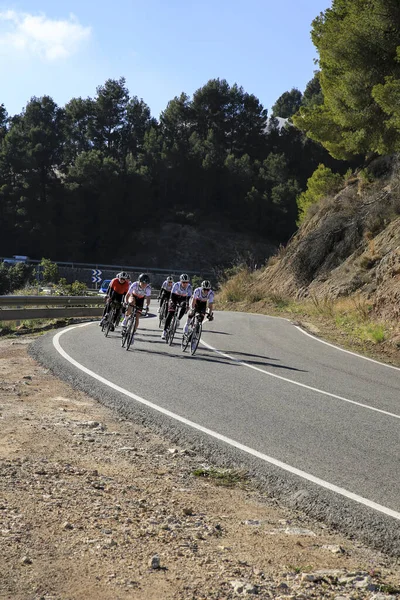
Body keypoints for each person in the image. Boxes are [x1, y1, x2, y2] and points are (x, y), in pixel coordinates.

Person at [162, 273, 191, 340]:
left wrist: (187, 305)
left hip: (183, 299)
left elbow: (188, 298)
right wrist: (172, 302)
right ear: (180, 281)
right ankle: (164, 331)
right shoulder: (176, 285)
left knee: (184, 305)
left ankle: (178, 319)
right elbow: (172, 295)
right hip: (175, 297)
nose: (185, 284)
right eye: (183, 282)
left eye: (186, 282)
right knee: (170, 313)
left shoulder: (189, 287)